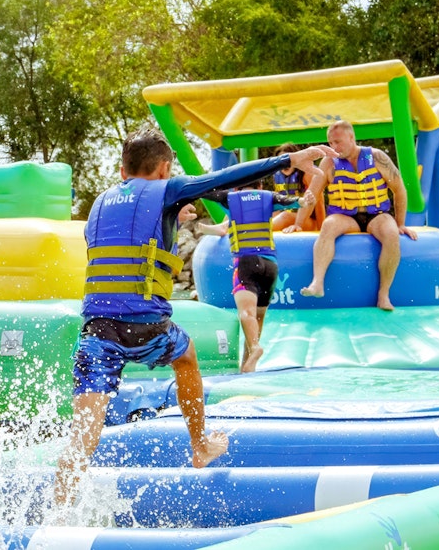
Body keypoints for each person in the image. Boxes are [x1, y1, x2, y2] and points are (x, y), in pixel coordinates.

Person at [53, 128, 335, 507]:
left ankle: (57, 513)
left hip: (97, 329)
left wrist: (165, 224)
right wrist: (288, 160)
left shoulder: (99, 204)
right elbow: (221, 180)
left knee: (83, 432)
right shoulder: (166, 189)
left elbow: (115, 246)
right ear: (166, 168)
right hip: (145, 325)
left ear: (122, 169)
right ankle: (200, 446)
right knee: (185, 355)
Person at [295, 120, 417, 311]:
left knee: (392, 233)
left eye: (338, 142)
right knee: (328, 226)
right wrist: (298, 224)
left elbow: (399, 190)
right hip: (345, 217)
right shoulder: (328, 163)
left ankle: (383, 294)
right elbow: (312, 194)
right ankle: (317, 283)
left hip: (376, 215)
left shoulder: (377, 157)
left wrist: (401, 223)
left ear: (351, 137)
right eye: (330, 143)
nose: (333, 147)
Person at [195, 183, 299, 372]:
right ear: (259, 186)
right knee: (257, 318)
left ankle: (255, 348)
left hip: (246, 263)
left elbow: (205, 190)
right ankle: (248, 367)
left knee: (246, 314)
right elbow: (293, 202)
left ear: (236, 189)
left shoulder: (233, 202)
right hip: (271, 266)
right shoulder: (265, 201)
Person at [272, 142, 324, 232]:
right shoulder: (277, 176)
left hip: (309, 221)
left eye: (287, 161)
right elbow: (277, 205)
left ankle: (257, 234)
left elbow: (320, 202)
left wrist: (321, 229)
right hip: (290, 219)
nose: (285, 165)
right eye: (281, 162)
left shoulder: (307, 173)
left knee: (285, 216)